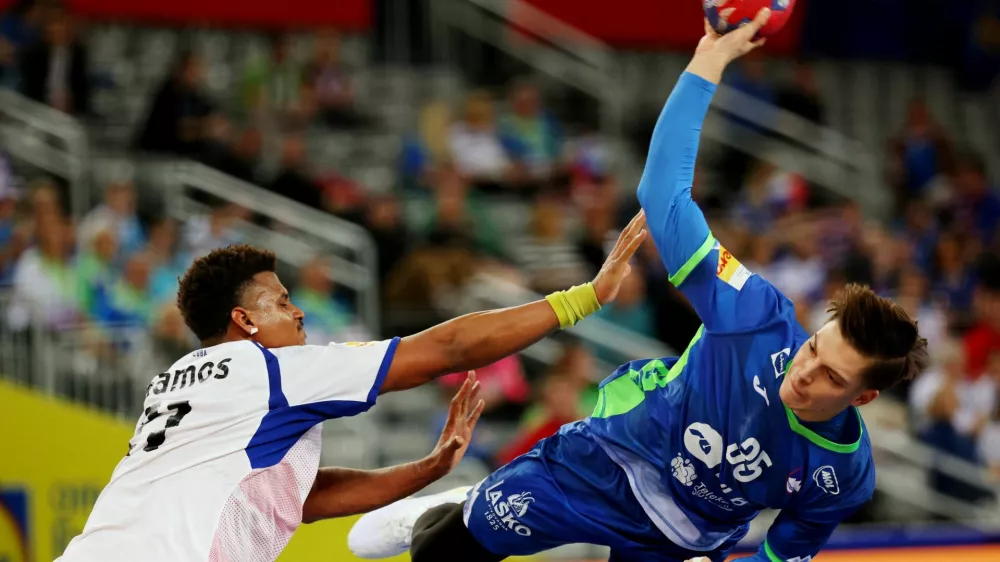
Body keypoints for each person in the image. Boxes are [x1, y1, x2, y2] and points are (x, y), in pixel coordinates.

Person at [348, 11, 930, 562]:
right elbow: (663, 197)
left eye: (831, 376)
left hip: (684, 539)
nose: (803, 372)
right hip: (609, 455)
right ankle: (464, 503)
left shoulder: (845, 475)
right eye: (812, 349)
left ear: (862, 398)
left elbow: (786, 547)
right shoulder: (754, 316)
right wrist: (708, 60)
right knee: (440, 555)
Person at [56, 206, 647, 562]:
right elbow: (448, 347)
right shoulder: (272, 371)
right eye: (281, 302)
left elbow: (296, 500)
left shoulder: (174, 382)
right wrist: (583, 299)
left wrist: (422, 471)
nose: (299, 313)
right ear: (245, 321)